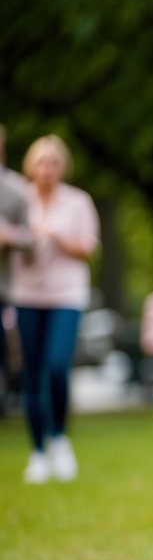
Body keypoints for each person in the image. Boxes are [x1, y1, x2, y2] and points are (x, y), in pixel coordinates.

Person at [11, 134, 100, 483]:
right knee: (31, 372)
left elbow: (89, 248)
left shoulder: (78, 202)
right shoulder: (19, 199)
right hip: (26, 294)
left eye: (53, 163)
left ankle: (60, 439)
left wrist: (58, 238)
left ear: (62, 167)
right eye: (41, 162)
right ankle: (38, 453)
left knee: (56, 365)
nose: (46, 169)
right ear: (30, 166)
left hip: (66, 294)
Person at [0, 124, 32, 414]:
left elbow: (33, 240)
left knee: (12, 356)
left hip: (7, 291)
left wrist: (10, 236)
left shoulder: (17, 190)